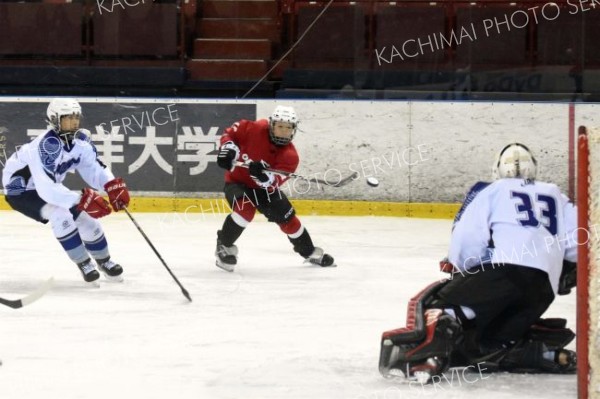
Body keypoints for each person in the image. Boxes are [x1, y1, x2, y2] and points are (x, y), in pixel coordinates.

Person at [379, 143, 578, 382]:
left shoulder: (491, 191)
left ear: (497, 169)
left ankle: (431, 355)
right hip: (542, 289)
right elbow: (578, 246)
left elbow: (468, 239)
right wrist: (560, 272)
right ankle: (534, 352)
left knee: (441, 304)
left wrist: (464, 269)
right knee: (490, 345)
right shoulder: (558, 195)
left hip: (502, 272)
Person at [2, 98, 130, 284]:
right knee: (60, 214)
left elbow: (93, 167)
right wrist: (80, 199)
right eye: (68, 117)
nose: (75, 121)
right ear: (55, 119)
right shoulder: (46, 147)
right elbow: (47, 190)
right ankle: (84, 263)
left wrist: (111, 185)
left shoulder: (80, 141)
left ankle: (105, 261)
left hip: (47, 188)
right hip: (22, 192)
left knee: (87, 220)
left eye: (76, 116)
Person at [214, 105, 335, 272]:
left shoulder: (290, 156)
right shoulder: (253, 128)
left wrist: (264, 176)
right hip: (237, 182)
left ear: (294, 129)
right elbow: (230, 134)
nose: (284, 131)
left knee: (288, 219)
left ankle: (308, 252)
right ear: (271, 125)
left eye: (288, 128)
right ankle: (224, 246)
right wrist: (227, 148)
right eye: (280, 126)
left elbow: (274, 182)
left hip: (264, 190)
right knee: (245, 210)